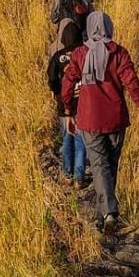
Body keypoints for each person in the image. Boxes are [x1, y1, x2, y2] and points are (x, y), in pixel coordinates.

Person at [62, 10, 139, 232]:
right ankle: (108, 213)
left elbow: (67, 84)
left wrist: (68, 111)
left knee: (101, 166)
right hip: (116, 118)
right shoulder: (119, 53)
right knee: (110, 165)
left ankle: (107, 213)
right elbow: (132, 83)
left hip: (89, 119)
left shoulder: (80, 54)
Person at [47, 18, 87, 187]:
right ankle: (79, 177)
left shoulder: (58, 56)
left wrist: (57, 93)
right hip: (83, 104)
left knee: (66, 138)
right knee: (81, 140)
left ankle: (67, 174)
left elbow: (51, 78)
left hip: (65, 105)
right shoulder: (85, 54)